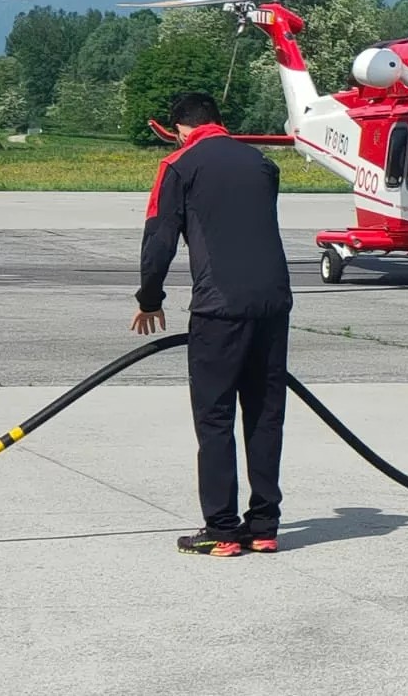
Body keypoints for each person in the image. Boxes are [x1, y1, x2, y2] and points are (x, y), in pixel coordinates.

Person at [131, 92, 294, 557]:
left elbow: (160, 238)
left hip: (219, 308)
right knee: (265, 414)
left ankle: (221, 529)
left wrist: (149, 298)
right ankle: (264, 526)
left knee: (215, 416)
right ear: (219, 121)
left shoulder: (179, 165)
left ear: (181, 127)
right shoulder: (262, 164)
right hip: (273, 303)